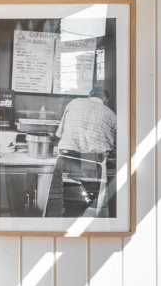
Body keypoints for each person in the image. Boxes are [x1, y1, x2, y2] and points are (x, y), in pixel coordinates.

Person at [50, 83, 117, 215]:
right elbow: (117, 142)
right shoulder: (110, 114)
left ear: (89, 96)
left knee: (67, 201)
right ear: (105, 100)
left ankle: (69, 215)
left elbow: (59, 134)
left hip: (66, 161)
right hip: (92, 163)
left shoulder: (74, 103)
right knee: (90, 204)